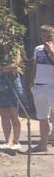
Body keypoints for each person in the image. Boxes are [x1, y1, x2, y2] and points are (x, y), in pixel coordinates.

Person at [0, 35, 26, 147]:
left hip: (12, 84)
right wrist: (0, 69)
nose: (4, 42)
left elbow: (14, 66)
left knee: (14, 114)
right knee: (4, 114)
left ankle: (16, 141)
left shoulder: (15, 51)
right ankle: (7, 141)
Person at [27, 25, 54, 153]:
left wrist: (51, 51)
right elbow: (35, 65)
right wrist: (32, 81)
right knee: (43, 117)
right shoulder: (38, 49)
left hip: (52, 85)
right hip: (39, 86)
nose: (46, 39)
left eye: (49, 36)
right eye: (43, 36)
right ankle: (43, 144)